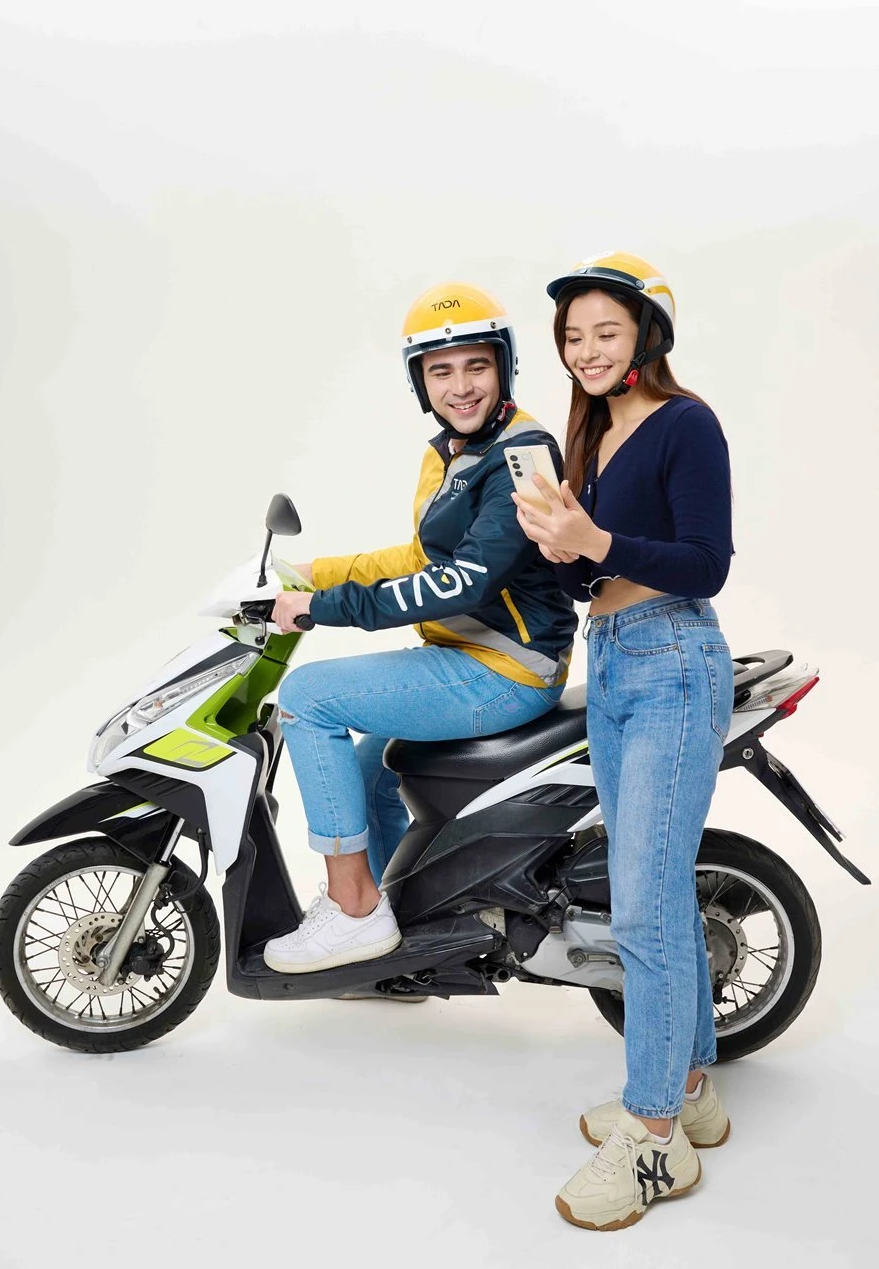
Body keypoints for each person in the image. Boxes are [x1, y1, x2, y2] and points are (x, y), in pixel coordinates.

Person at [511, 252, 734, 1231]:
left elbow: (706, 563)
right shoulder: (591, 435)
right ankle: (690, 1090)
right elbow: (589, 581)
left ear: (648, 334)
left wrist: (596, 542)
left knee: (641, 907)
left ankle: (653, 1141)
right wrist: (559, 546)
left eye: (606, 331)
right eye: (573, 336)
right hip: (611, 662)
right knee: (660, 891)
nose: (587, 350)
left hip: (675, 659)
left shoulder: (686, 423)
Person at [263, 283, 578, 974]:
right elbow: (423, 558)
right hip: (467, 655)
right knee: (368, 768)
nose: (460, 387)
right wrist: (313, 573)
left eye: (476, 366)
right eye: (441, 371)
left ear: (504, 367)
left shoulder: (523, 455)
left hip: (505, 668)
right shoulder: (452, 451)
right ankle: (388, 941)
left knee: (307, 698)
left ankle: (352, 910)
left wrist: (325, 608)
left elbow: (465, 581)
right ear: (420, 382)